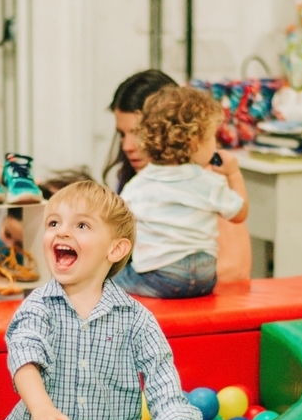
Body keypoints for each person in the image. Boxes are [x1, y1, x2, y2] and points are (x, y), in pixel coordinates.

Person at [0, 181, 208, 420]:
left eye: (81, 225)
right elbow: (25, 355)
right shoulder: (39, 307)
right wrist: (41, 408)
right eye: (53, 223)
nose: (62, 232)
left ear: (116, 249)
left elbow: (161, 376)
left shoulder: (134, 318)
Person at [106, 70, 254, 282]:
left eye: (139, 132)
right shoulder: (139, 182)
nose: (127, 146)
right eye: (122, 134)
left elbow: (235, 268)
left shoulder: (203, 179)